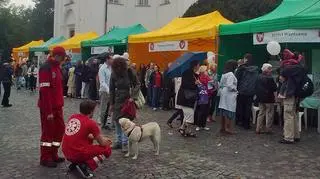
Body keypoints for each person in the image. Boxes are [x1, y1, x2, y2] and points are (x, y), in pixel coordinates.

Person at [62, 100, 112, 178]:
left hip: (66, 151)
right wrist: (107, 141)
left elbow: (83, 134)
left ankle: (75, 163)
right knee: (107, 149)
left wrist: (97, 138)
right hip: (77, 153)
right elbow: (102, 143)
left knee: (88, 140)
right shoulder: (91, 123)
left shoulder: (73, 117)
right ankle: (85, 165)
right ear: (91, 111)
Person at [38, 46, 66, 168]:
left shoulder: (57, 67)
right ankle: (45, 157)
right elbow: (45, 91)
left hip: (57, 107)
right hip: (48, 108)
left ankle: (53, 154)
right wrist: (48, 111)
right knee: (48, 133)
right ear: (58, 56)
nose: (63, 60)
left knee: (59, 130)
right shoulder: (46, 68)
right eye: (63, 57)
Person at [109, 56, 140, 151]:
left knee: (126, 121)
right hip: (118, 99)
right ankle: (118, 141)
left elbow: (137, 84)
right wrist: (111, 103)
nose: (118, 68)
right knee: (117, 121)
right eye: (116, 66)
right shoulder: (114, 74)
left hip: (128, 99)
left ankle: (125, 143)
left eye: (119, 66)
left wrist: (133, 97)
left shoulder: (129, 72)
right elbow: (111, 89)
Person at [278, 49, 305, 144]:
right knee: (293, 114)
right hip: (295, 93)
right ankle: (295, 135)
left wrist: (283, 65)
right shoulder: (299, 66)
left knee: (288, 114)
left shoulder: (292, 67)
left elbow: (283, 73)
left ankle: (289, 137)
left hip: (289, 93)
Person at [177, 60, 200, 137]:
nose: (199, 66)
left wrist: (197, 81)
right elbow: (185, 85)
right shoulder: (187, 73)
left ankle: (185, 130)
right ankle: (183, 129)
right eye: (198, 65)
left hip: (189, 98)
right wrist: (194, 83)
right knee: (190, 116)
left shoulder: (194, 74)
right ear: (195, 66)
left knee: (187, 116)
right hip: (185, 98)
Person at [235, 53, 259, 129]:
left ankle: (240, 121)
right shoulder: (256, 69)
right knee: (248, 108)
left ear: (246, 59)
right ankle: (247, 124)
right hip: (251, 91)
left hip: (241, 91)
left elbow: (236, 79)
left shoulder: (241, 68)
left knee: (240, 106)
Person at [255, 63, 277, 134]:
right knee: (269, 114)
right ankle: (268, 129)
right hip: (269, 98)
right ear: (267, 70)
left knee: (261, 113)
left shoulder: (258, 77)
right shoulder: (270, 78)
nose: (271, 70)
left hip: (260, 98)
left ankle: (258, 128)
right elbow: (274, 88)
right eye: (270, 69)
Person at [218, 60, 238, 134]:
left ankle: (222, 127)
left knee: (223, 110)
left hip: (224, 92)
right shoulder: (231, 75)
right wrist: (235, 89)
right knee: (229, 110)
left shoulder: (224, 74)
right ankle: (228, 128)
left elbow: (221, 84)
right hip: (229, 94)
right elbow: (230, 85)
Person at [98, 54, 113, 128]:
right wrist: (108, 90)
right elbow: (102, 82)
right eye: (111, 59)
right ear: (107, 59)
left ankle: (107, 122)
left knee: (110, 108)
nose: (112, 60)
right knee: (103, 108)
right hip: (104, 91)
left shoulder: (111, 68)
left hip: (111, 91)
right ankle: (102, 123)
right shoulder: (102, 69)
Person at [195, 65, 210, 131]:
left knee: (205, 111)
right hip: (201, 96)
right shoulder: (199, 78)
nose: (207, 71)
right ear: (203, 71)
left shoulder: (207, 77)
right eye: (206, 70)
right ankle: (198, 125)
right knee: (201, 111)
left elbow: (210, 85)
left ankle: (203, 125)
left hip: (207, 96)